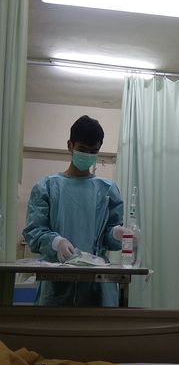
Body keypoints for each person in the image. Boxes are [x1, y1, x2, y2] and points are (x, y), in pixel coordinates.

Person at [23, 115, 126, 307]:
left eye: (93, 151)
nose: (87, 155)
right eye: (82, 150)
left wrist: (117, 233)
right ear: (70, 145)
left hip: (97, 286)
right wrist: (56, 242)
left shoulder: (107, 190)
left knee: (97, 335)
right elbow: (34, 232)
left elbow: (109, 239)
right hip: (56, 286)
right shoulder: (46, 187)